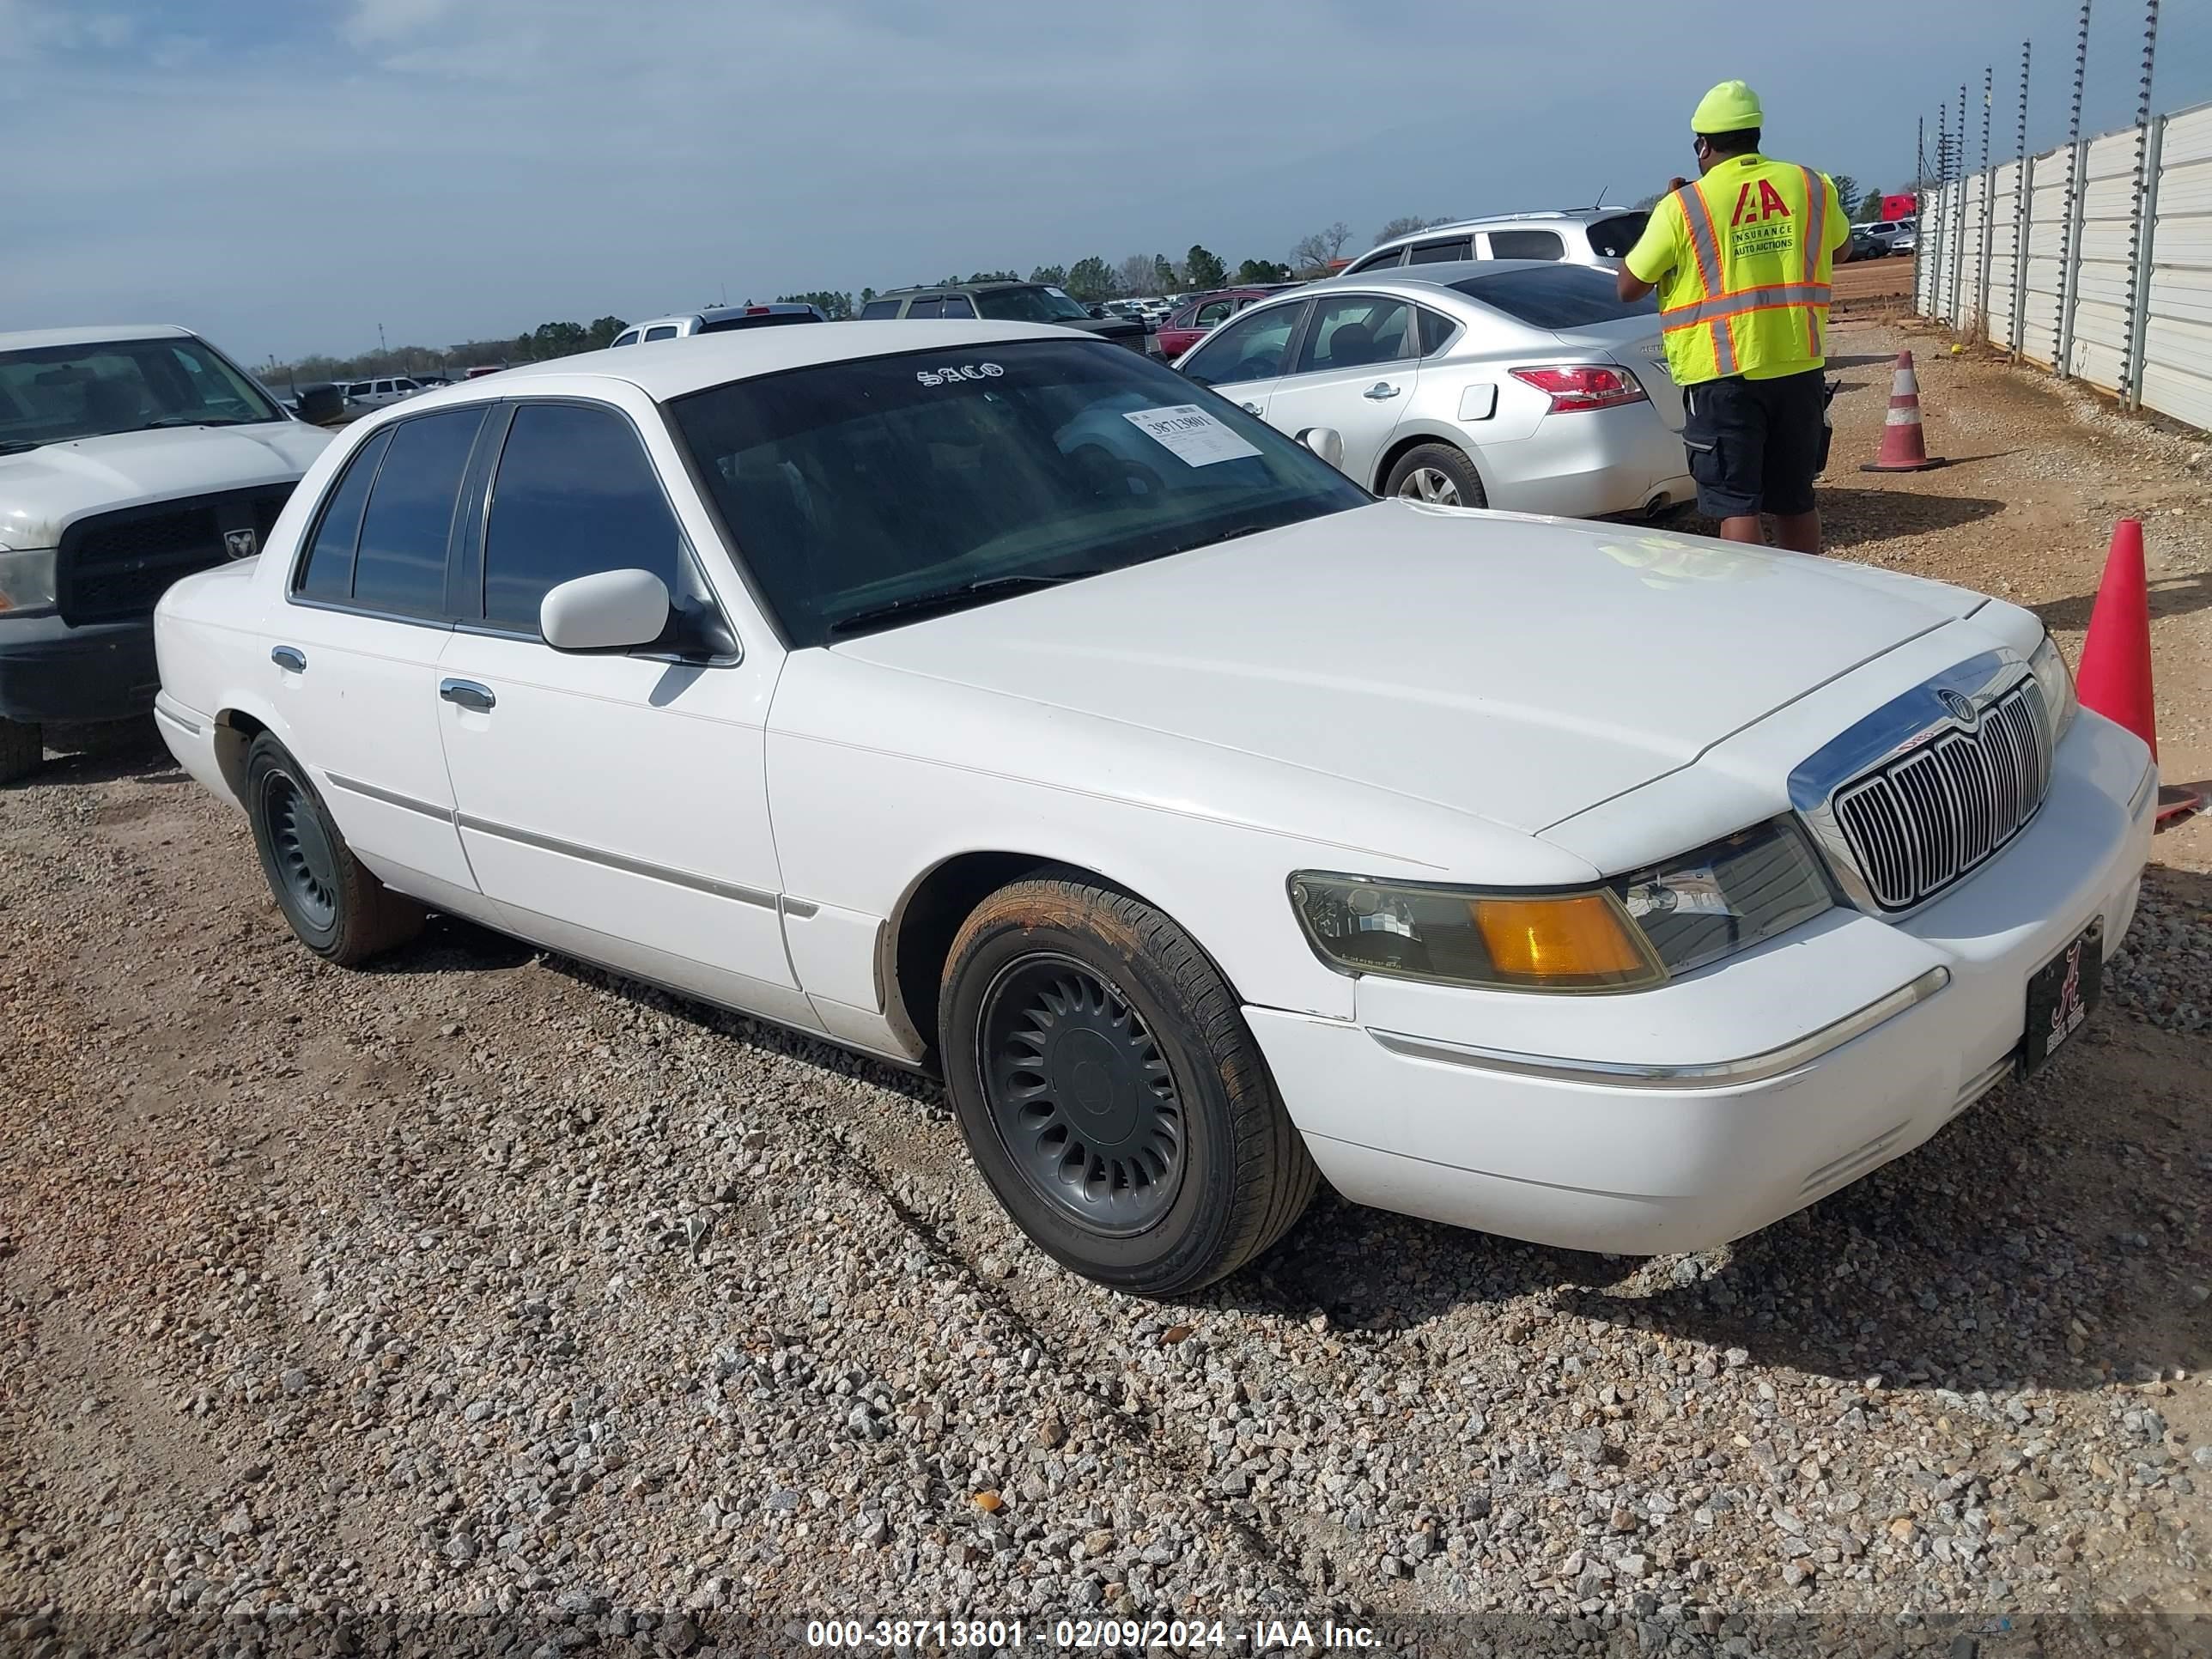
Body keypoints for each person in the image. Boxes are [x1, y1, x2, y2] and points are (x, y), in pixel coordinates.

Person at [1617, 80, 1851, 554]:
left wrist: (1665, 211)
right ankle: (1809, 605)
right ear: (1755, 134)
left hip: (1723, 375)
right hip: (1798, 367)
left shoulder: (1684, 205)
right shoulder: (1812, 185)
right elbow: (1842, 249)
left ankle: (1754, 613)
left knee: (1737, 503)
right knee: (1795, 499)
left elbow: (1629, 285)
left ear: (1703, 145)